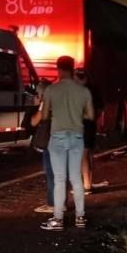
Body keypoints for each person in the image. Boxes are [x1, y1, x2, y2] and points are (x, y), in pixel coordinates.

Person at [40, 56, 94, 231]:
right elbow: (91, 116)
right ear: (72, 69)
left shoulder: (51, 90)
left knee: (60, 179)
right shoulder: (83, 91)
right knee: (76, 178)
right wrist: (76, 114)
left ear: (58, 69)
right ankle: (80, 217)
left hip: (57, 137)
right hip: (77, 136)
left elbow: (44, 116)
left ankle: (58, 219)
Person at [73, 68, 108, 194]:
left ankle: (87, 186)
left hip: (82, 127)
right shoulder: (93, 90)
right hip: (90, 126)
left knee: (83, 157)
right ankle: (88, 182)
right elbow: (100, 109)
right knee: (87, 155)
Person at [32, 79, 55, 213]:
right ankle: (61, 203)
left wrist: (36, 105)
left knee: (51, 174)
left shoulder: (45, 104)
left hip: (49, 141)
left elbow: (34, 122)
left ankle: (52, 205)